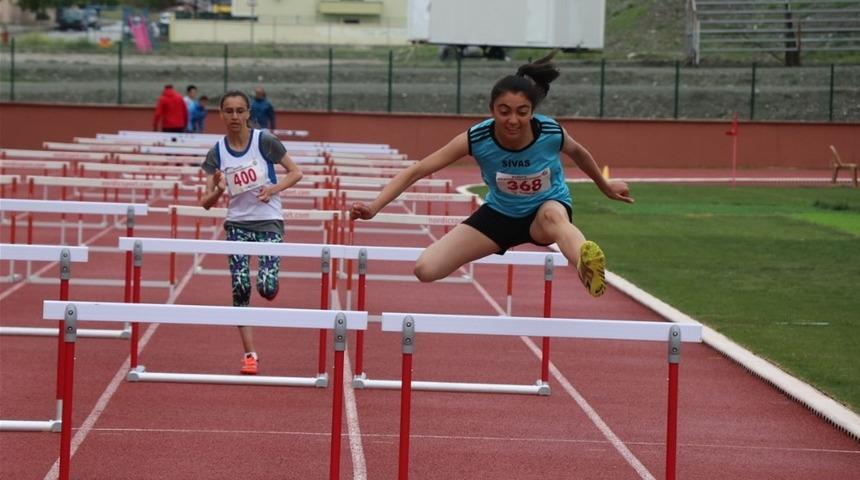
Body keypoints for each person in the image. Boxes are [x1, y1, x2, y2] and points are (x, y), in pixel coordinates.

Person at [350, 52, 633, 298]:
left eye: (522, 112)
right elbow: (418, 169)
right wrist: (375, 206)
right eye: (504, 111)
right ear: (491, 111)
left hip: (543, 211)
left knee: (554, 217)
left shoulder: (549, 132)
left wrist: (604, 185)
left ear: (532, 111)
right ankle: (581, 258)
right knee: (425, 269)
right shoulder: (477, 138)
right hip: (499, 215)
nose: (513, 120)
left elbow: (580, 154)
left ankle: (587, 264)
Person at [200, 90, 303, 375]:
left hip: (269, 222)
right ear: (221, 114)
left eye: (240, 110)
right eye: (229, 111)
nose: (235, 116)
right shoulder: (216, 152)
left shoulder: (264, 141)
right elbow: (205, 202)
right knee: (241, 286)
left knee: (266, 288)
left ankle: (271, 281)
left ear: (248, 113)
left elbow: (296, 172)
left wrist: (273, 188)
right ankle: (249, 355)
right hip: (237, 225)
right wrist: (219, 189)